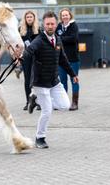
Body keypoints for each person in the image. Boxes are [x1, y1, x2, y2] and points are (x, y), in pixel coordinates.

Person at [24, 11, 79, 149]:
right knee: (47, 111)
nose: (50, 26)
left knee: (65, 106)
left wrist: (73, 74)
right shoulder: (39, 40)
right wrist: (22, 56)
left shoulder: (58, 39)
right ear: (43, 24)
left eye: (52, 24)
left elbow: (63, 59)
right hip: (40, 82)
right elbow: (29, 51)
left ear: (56, 24)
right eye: (47, 24)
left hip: (54, 81)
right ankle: (40, 138)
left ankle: (35, 99)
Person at [56, 8, 80, 111]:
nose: (65, 17)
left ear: (70, 15)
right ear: (61, 17)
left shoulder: (74, 26)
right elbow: (56, 37)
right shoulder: (58, 26)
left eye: (67, 15)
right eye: (63, 15)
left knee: (74, 80)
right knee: (62, 81)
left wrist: (61, 39)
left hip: (73, 58)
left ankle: (75, 103)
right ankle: (63, 102)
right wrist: (62, 38)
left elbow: (73, 38)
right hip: (61, 59)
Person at [18, 10, 41, 111]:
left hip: (37, 58)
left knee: (37, 80)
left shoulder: (39, 29)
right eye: (27, 17)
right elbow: (17, 45)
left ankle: (39, 102)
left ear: (34, 18)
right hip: (26, 58)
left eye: (31, 17)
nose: (29, 19)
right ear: (25, 19)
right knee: (27, 80)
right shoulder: (21, 30)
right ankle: (28, 101)